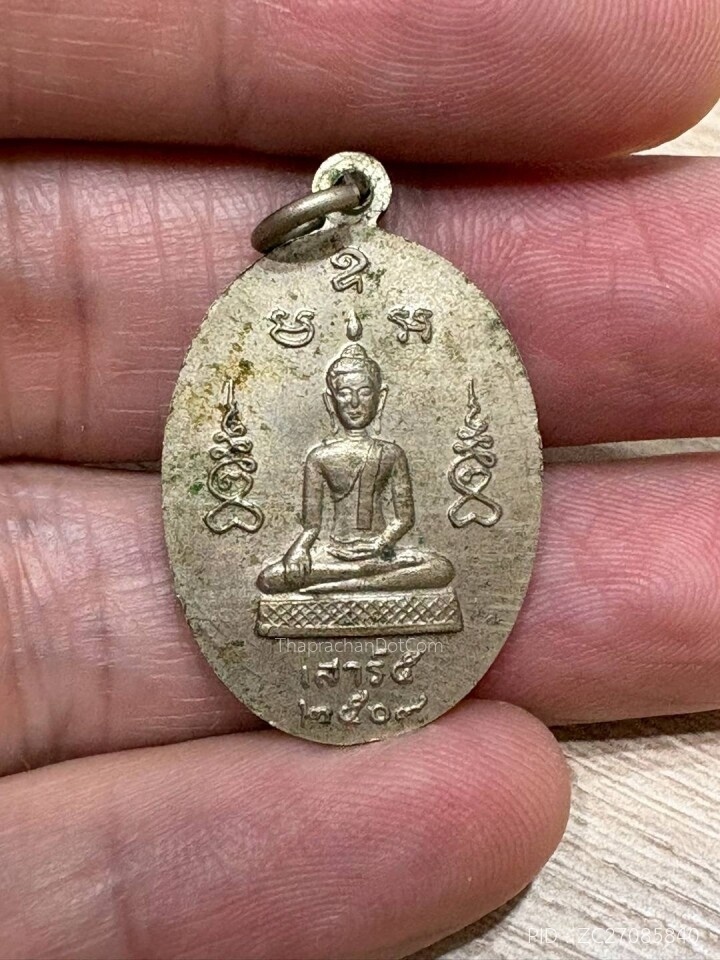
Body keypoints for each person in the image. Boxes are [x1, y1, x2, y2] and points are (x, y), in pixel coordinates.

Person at [1, 2, 719, 958]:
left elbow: (407, 533)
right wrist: (306, 557)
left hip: (385, 565)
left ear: (374, 393)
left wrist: (376, 548)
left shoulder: (385, 455)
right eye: (338, 391)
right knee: (271, 578)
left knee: (429, 570)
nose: (348, 402)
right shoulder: (319, 456)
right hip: (331, 572)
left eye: (359, 390)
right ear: (329, 395)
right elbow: (303, 529)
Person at [257, 343, 454, 594]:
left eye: (364, 392)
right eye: (344, 393)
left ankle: (351, 582)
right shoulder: (319, 457)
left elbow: (404, 518)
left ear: (380, 398)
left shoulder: (392, 453)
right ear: (331, 401)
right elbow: (311, 526)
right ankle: (361, 577)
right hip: (334, 554)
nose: (354, 402)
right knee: (270, 578)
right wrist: (298, 550)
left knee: (441, 568)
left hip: (382, 553)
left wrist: (381, 543)